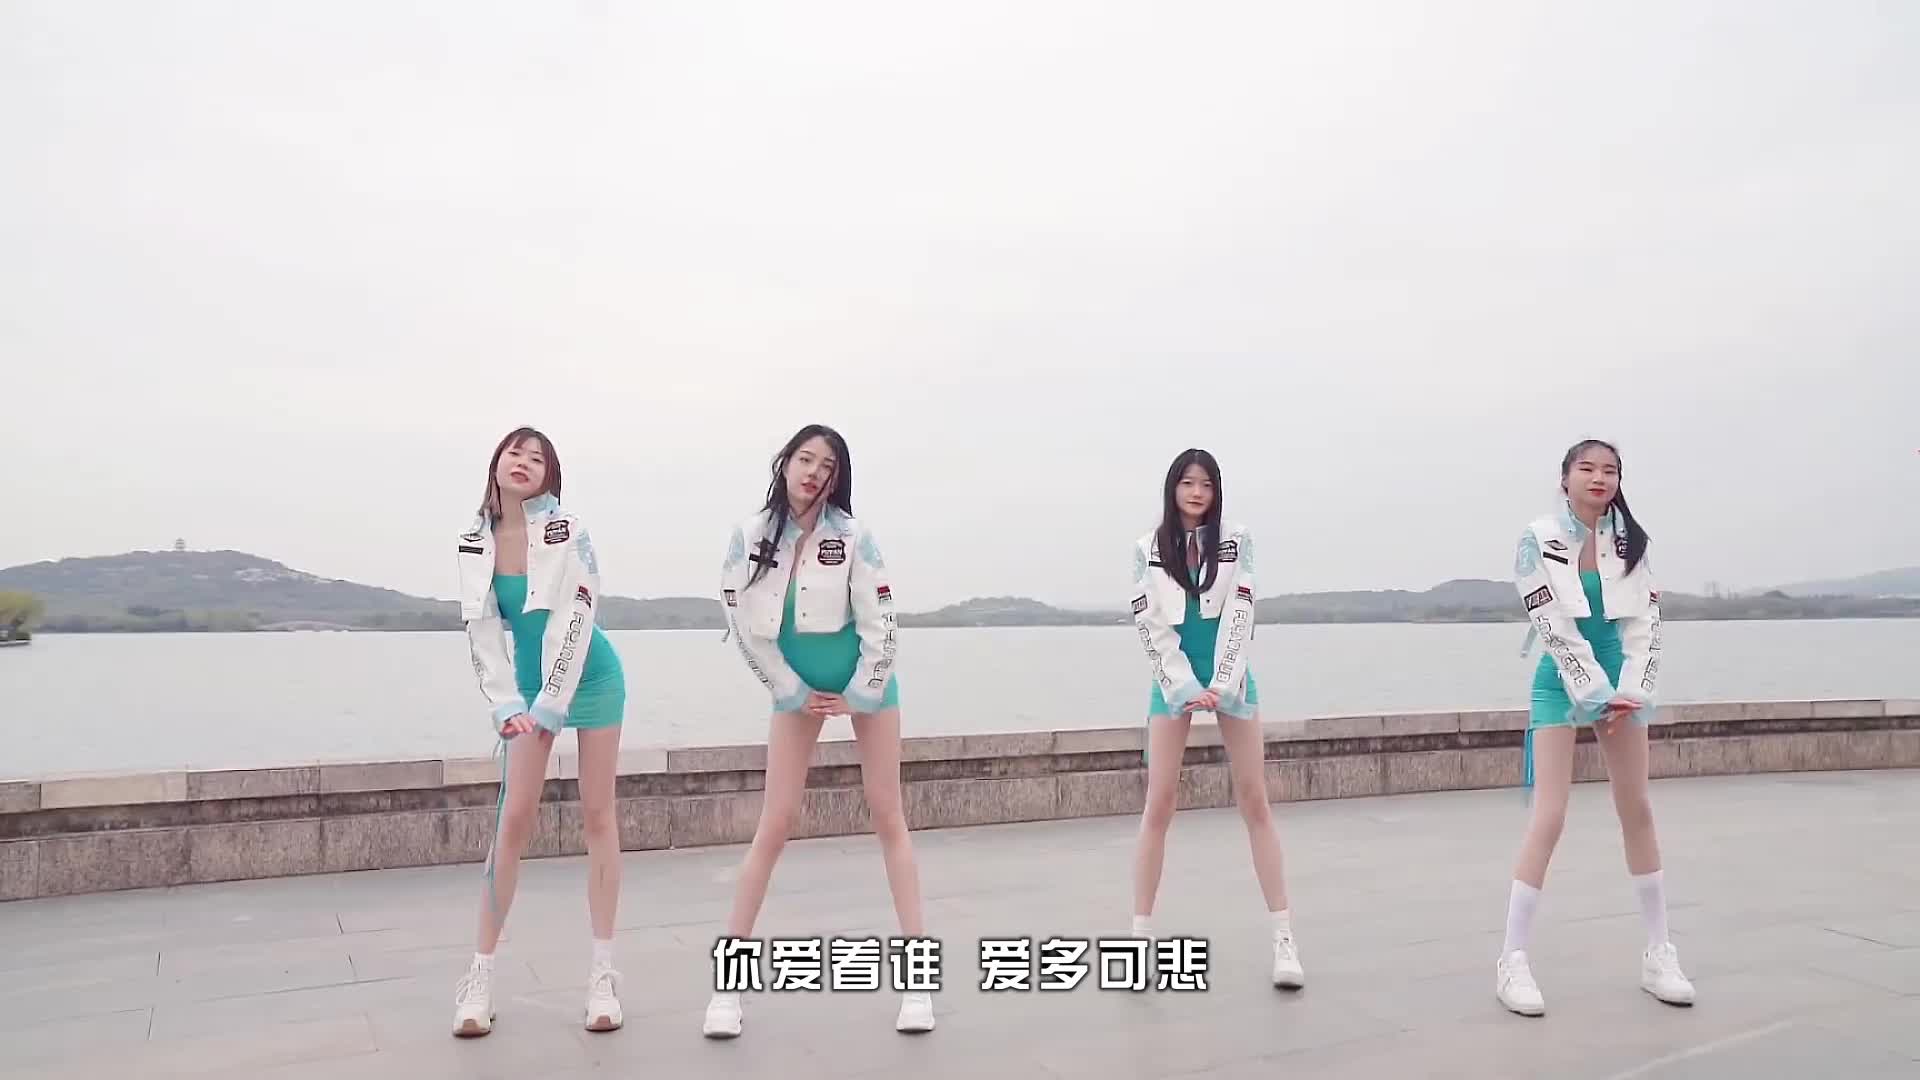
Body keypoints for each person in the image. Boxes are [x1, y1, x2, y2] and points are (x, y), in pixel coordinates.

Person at [703, 423, 933, 1038]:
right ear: (785, 464)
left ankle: (918, 986)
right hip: (795, 693)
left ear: (837, 478)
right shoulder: (748, 536)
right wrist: (790, 690)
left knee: (889, 817)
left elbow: (882, 621)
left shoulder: (854, 537)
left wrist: (860, 691)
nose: (813, 472)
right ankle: (727, 991)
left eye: (826, 465)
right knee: (774, 824)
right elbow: (742, 625)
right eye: (805, 459)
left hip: (866, 688)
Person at [1496, 438, 1693, 1017]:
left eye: (1610, 470)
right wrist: (1593, 690)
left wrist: (1632, 690)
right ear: (1565, 479)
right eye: (1586, 468)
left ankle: (1659, 953)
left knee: (1637, 809)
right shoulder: (1538, 538)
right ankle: (1512, 959)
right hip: (1561, 680)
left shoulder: (1632, 541)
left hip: (1622, 687)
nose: (1598, 478)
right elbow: (1550, 622)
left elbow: (1647, 622)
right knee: (1550, 816)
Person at [450, 426, 629, 1037]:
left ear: (551, 477)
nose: (523, 462)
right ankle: (478, 979)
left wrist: (555, 701)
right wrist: (506, 704)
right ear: (496, 464)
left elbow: (578, 615)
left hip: (591, 676)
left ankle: (603, 976)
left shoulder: (566, 530)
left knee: (598, 815)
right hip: (527, 686)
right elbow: (481, 629)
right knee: (514, 819)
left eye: (538, 458)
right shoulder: (473, 540)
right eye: (514, 453)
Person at [1128, 448, 1303, 989]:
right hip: (1171, 679)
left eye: (1206, 484)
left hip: (1232, 674)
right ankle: (1139, 937)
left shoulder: (1236, 540)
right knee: (1159, 803)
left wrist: (1222, 682)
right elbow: (1149, 621)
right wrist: (1183, 685)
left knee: (1255, 800)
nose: (1197, 493)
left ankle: (1284, 938)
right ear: (1173, 488)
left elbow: (1241, 611)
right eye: (1187, 483)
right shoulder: (1148, 548)